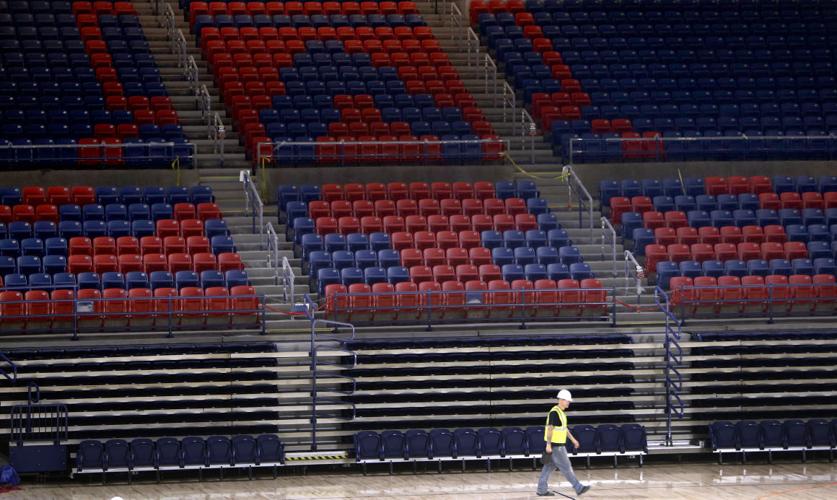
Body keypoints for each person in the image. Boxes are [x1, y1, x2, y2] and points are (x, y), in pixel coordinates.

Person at [536, 389, 590, 497]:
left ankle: (541, 490)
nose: (569, 402)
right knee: (566, 467)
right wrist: (548, 444)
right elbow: (550, 429)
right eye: (567, 400)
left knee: (548, 468)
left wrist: (573, 440)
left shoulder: (560, 413)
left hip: (556, 446)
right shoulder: (555, 413)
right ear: (561, 400)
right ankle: (578, 487)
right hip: (556, 447)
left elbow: (564, 429)